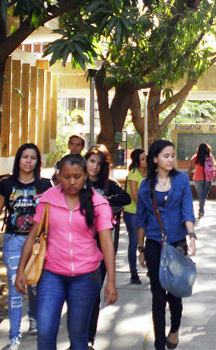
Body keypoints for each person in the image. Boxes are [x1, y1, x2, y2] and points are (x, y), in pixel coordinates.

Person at [15, 154, 117, 350]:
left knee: (79, 336)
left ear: (85, 175)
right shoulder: (48, 199)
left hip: (86, 276)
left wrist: (111, 280)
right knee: (45, 332)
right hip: (52, 273)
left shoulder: (98, 203)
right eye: (67, 176)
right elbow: (32, 236)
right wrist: (21, 270)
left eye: (77, 177)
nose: (72, 182)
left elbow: (106, 243)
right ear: (58, 176)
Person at [0, 143, 51, 350]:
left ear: (37, 162)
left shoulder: (45, 185)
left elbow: (52, 214)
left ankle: (34, 318)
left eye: (33, 158)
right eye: (25, 157)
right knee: (15, 288)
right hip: (13, 241)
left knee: (35, 285)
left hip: (37, 243)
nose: (28, 161)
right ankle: (14, 336)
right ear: (18, 159)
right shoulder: (6, 185)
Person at [137, 139, 197, 350]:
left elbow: (187, 211)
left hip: (177, 244)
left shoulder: (181, 180)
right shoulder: (146, 185)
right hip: (154, 245)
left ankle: (174, 330)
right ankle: (159, 343)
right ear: (155, 159)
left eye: (172, 155)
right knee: (157, 296)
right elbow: (141, 220)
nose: (171, 159)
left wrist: (191, 236)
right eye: (166, 156)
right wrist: (141, 248)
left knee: (175, 294)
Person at [84, 145, 131, 348]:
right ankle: (77, 337)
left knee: (93, 295)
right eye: (91, 161)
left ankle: (88, 340)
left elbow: (125, 198)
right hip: (76, 247)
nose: (94, 166)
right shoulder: (76, 181)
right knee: (77, 297)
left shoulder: (108, 184)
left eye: (98, 163)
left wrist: (103, 200)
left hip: (101, 247)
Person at [124, 148, 147, 284]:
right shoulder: (134, 173)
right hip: (133, 211)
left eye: (146, 158)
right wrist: (146, 207)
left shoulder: (150, 173)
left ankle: (151, 267)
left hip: (147, 212)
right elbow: (134, 195)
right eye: (143, 159)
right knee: (134, 241)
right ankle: (134, 272)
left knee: (151, 240)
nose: (146, 161)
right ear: (137, 161)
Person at [187, 143, 216, 220]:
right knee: (203, 196)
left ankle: (201, 211)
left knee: (200, 196)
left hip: (197, 178)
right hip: (208, 178)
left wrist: (185, 176)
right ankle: (201, 211)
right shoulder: (210, 157)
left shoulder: (195, 158)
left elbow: (191, 168)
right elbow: (213, 168)